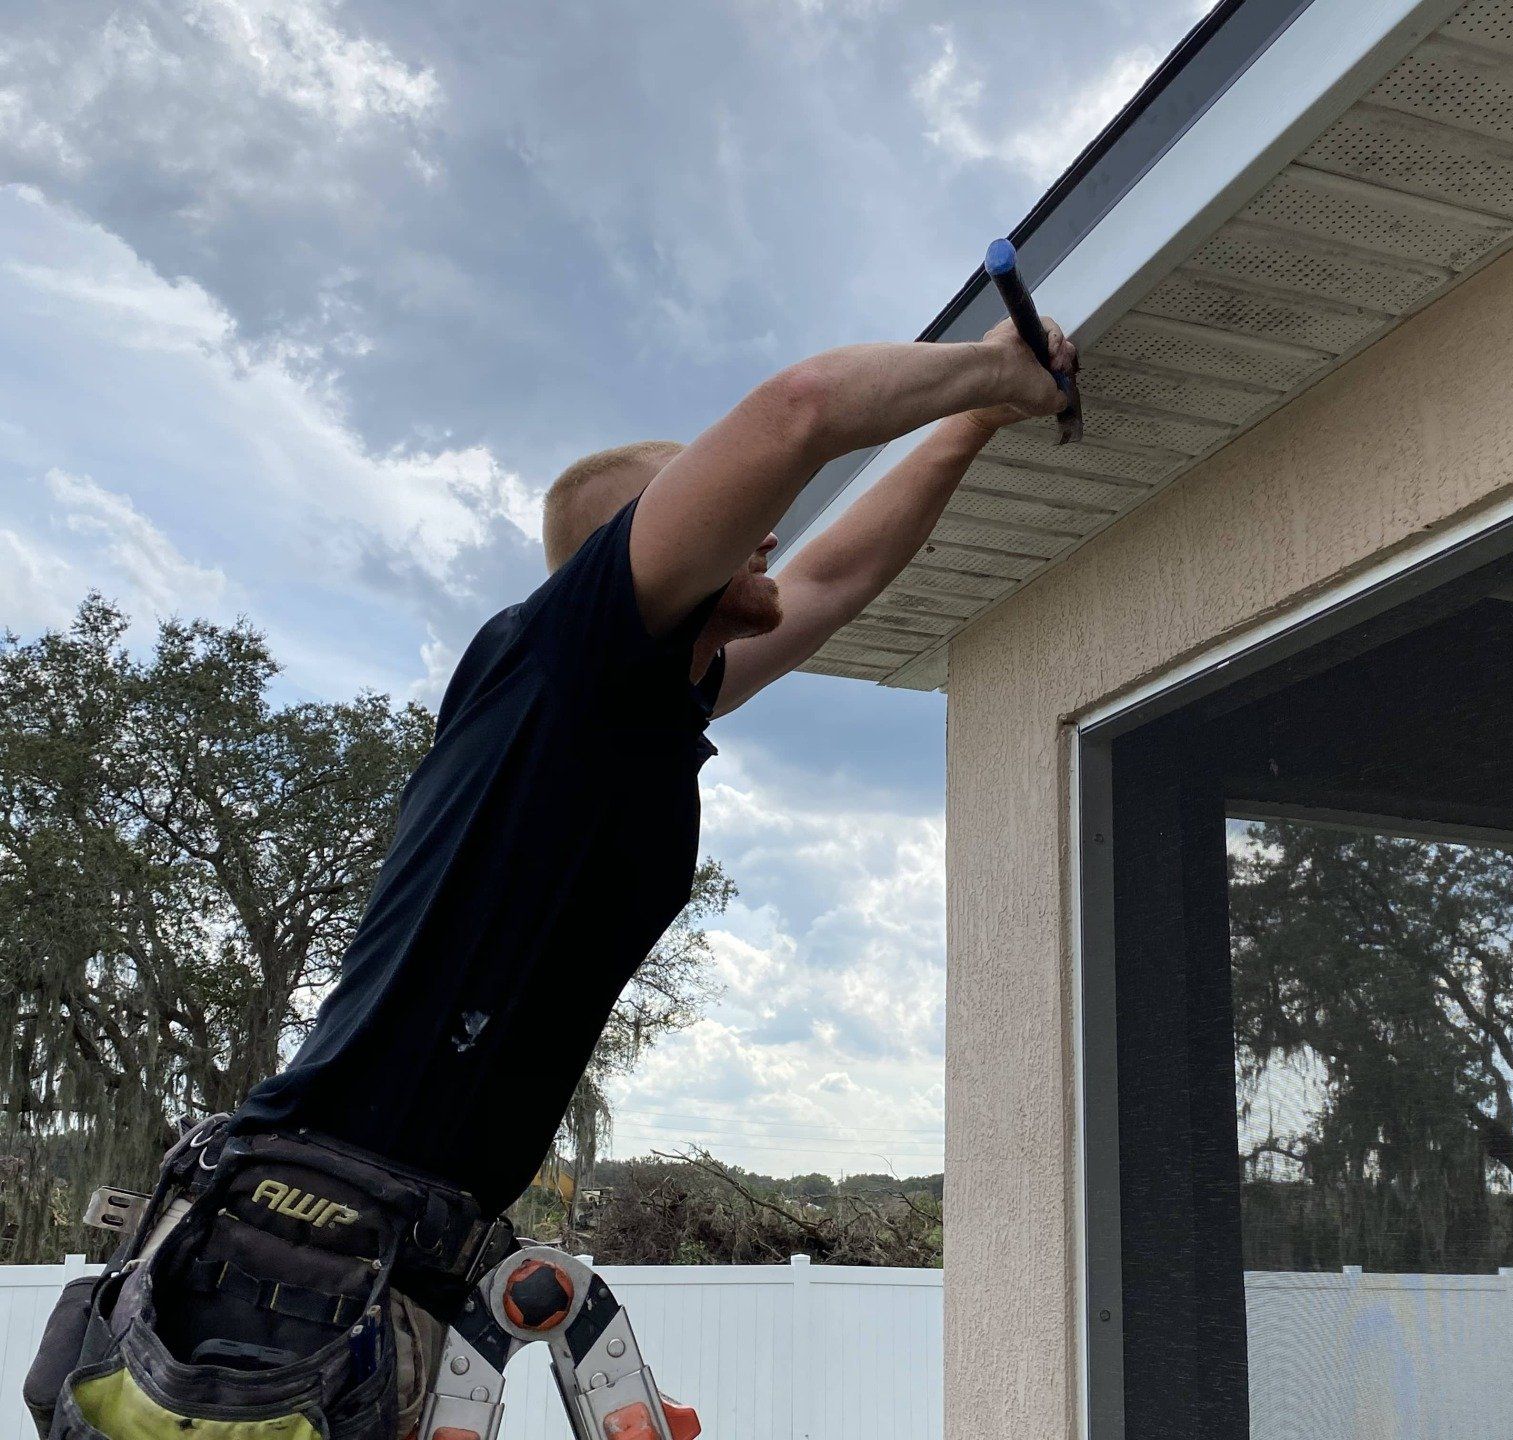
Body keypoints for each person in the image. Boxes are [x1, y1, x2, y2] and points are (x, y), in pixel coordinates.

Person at [24, 315, 1075, 1440]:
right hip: (296, 1251)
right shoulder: (562, 652)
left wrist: (973, 423)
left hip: (377, 1249)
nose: (765, 535)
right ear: (635, 552)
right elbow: (800, 413)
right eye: (728, 512)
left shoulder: (636, 711)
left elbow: (831, 579)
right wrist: (990, 364)